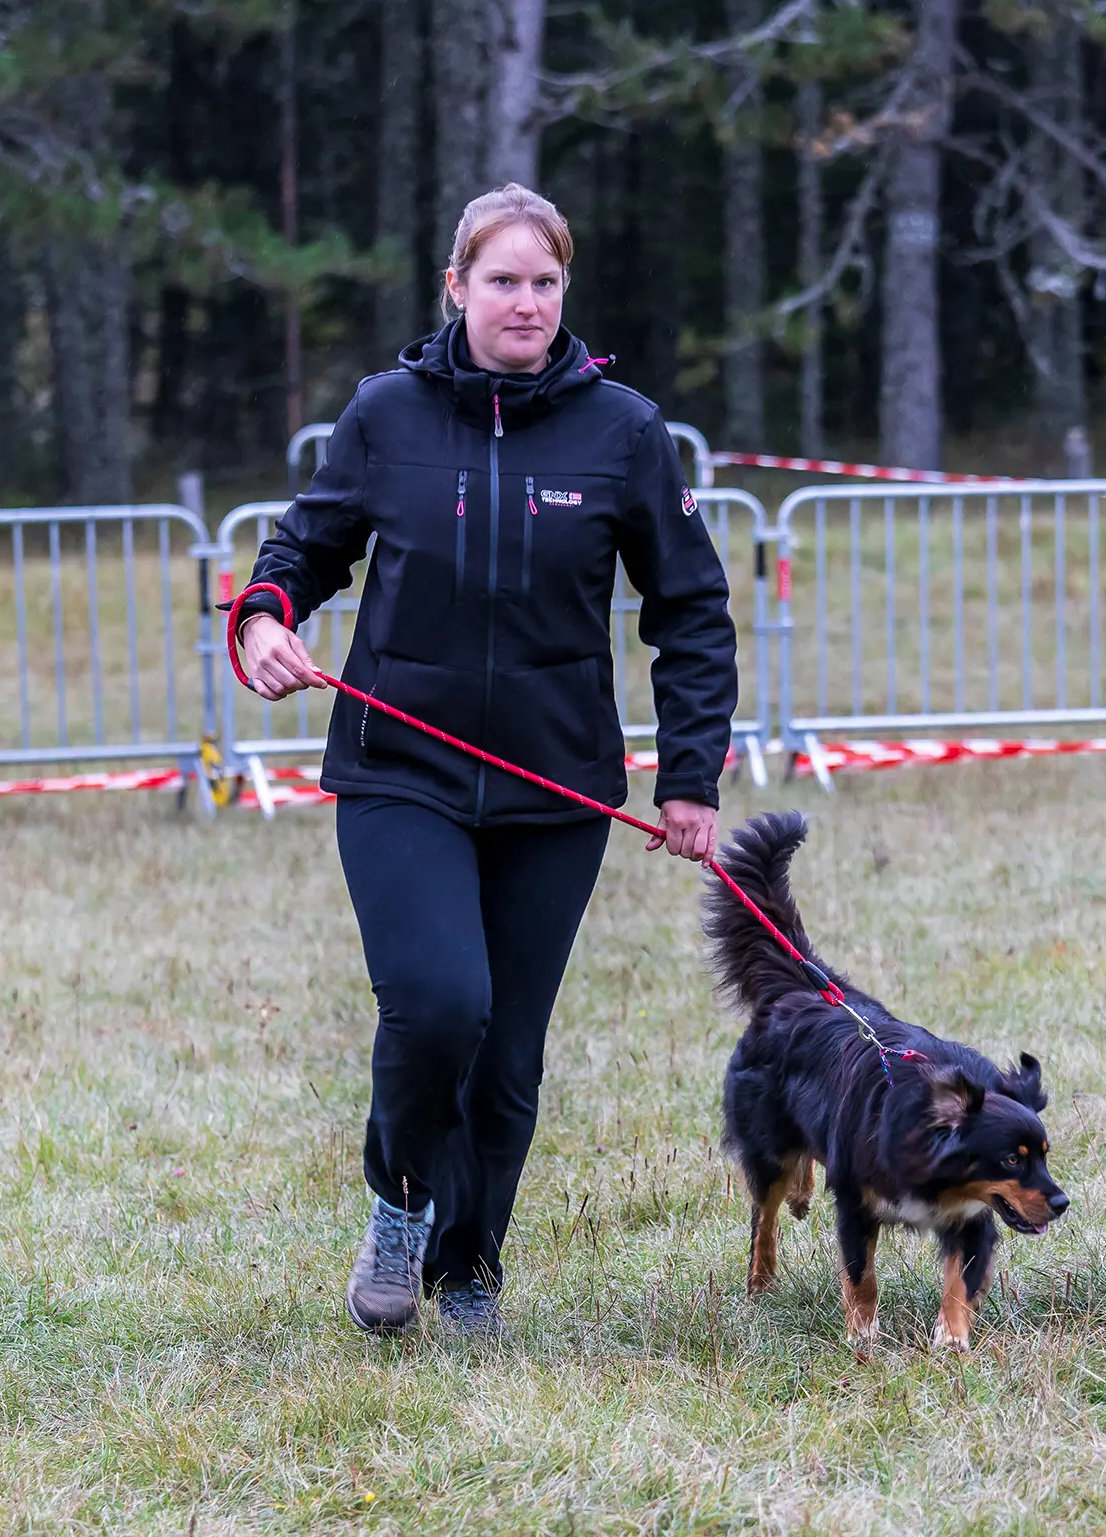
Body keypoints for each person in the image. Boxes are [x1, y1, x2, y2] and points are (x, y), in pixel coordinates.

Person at [234, 184, 737, 1336]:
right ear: (456, 288)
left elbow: (691, 608)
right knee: (438, 1003)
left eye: (545, 281)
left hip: (552, 790)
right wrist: (265, 615)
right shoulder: (385, 413)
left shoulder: (622, 431)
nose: (525, 301)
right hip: (398, 767)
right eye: (502, 280)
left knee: (507, 1058)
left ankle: (468, 1269)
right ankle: (399, 1210)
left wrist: (691, 775)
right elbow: (303, 546)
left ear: (566, 292)